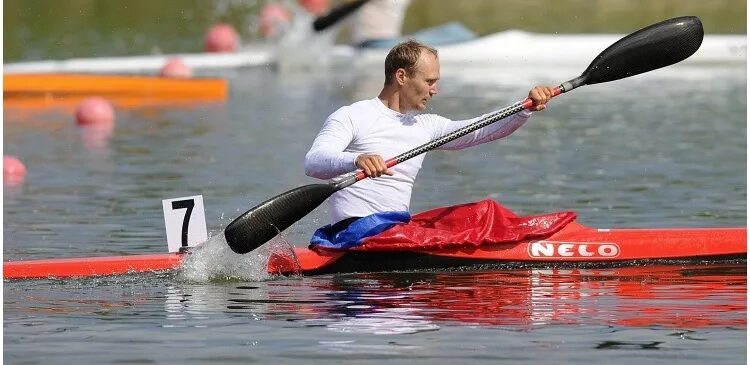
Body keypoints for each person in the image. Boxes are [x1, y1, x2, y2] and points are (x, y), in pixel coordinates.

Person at [304, 39, 554, 238]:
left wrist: (525, 107)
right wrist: (357, 160)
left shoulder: (426, 127)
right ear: (402, 77)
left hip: (396, 230)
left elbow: (482, 129)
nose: (435, 90)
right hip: (354, 233)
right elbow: (314, 162)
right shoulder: (353, 115)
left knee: (484, 213)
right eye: (429, 81)